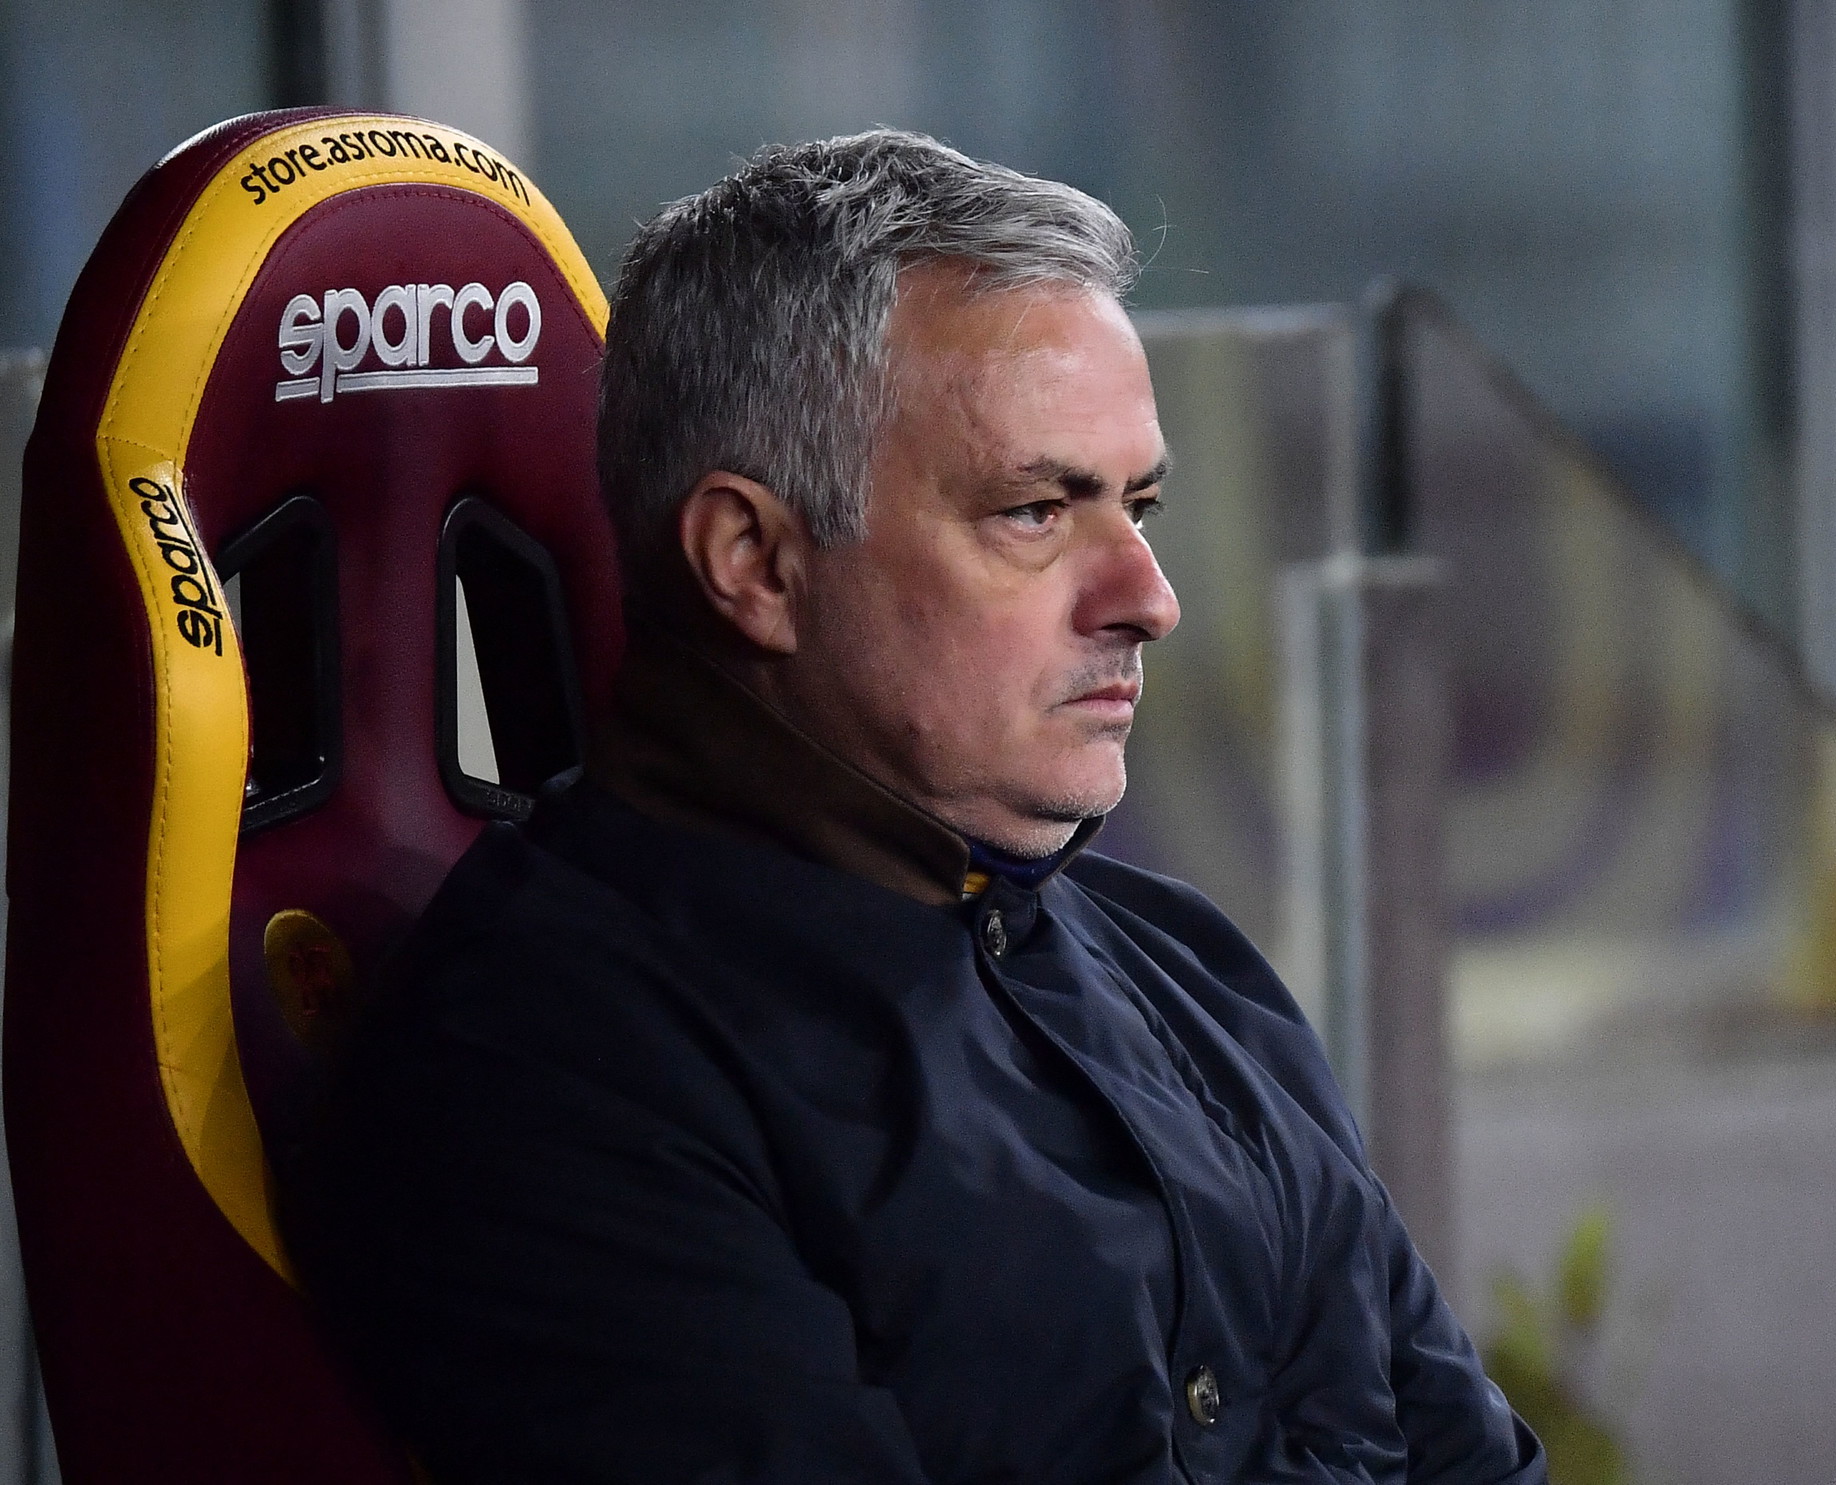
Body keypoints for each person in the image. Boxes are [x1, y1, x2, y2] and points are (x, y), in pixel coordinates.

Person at [297, 130, 1546, 1485]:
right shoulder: (551, 1083)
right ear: (754, 560)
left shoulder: (1187, 968)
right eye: (1035, 512)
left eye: (1138, 506)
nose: (1149, 596)